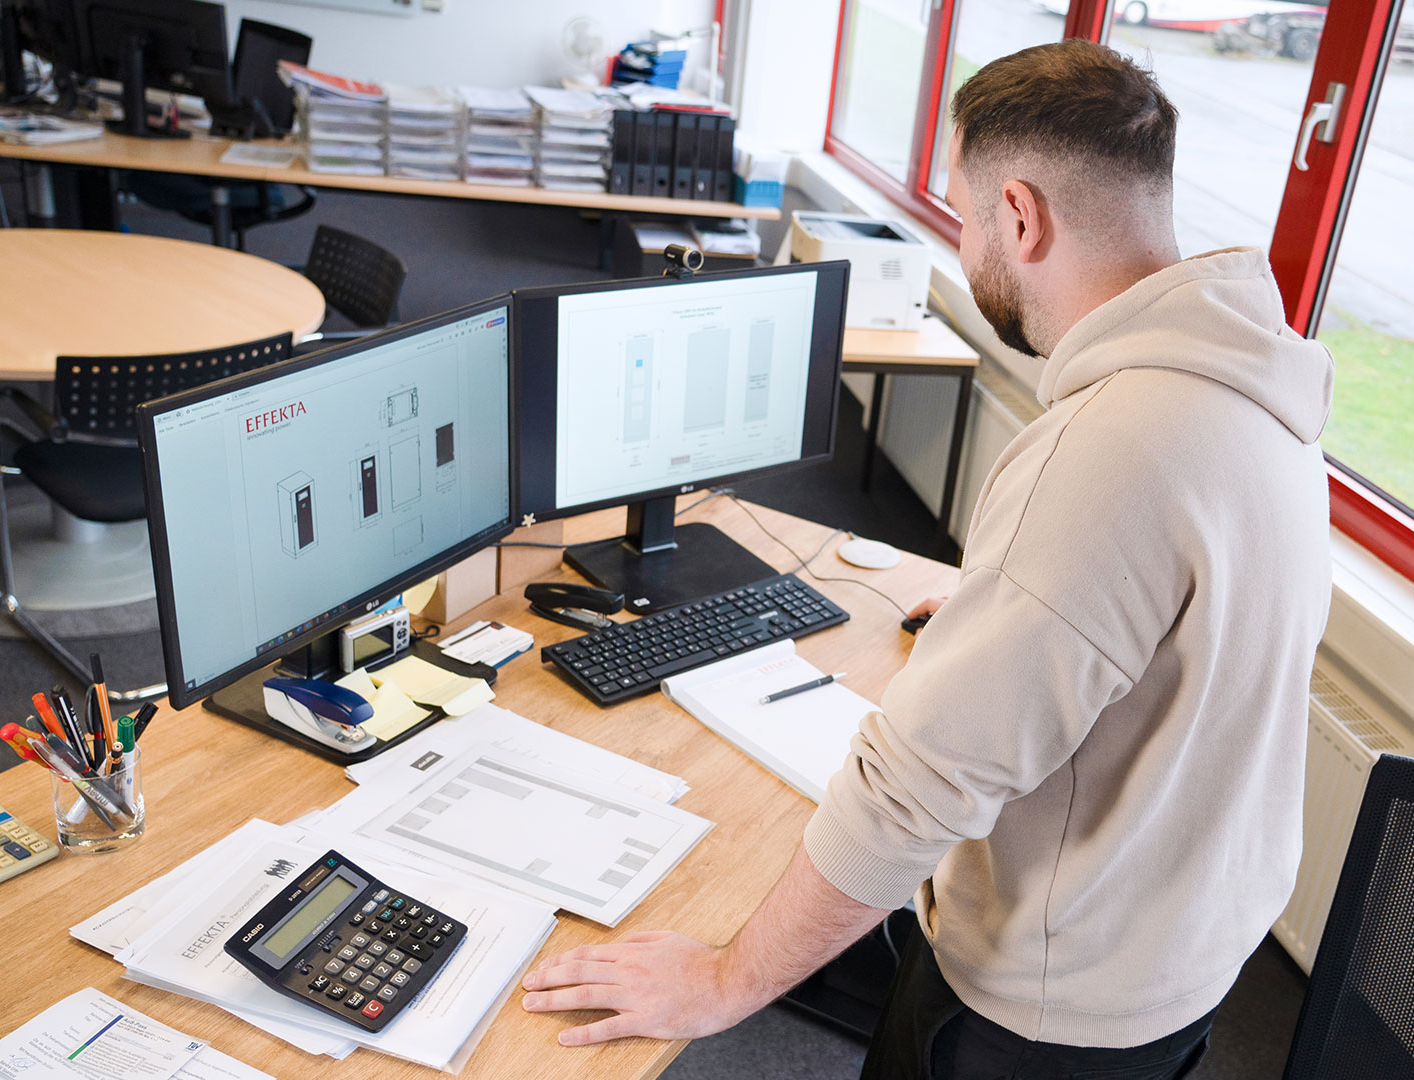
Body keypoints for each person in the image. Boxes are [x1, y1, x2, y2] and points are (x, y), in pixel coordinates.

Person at [518, 39, 1335, 1078]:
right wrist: (1003, 628)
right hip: (1178, 958)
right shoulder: (1259, 386)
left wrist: (723, 983)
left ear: (1023, 216)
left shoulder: (1106, 452)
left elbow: (918, 791)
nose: (963, 243)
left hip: (1044, 1012)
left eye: (964, 213)